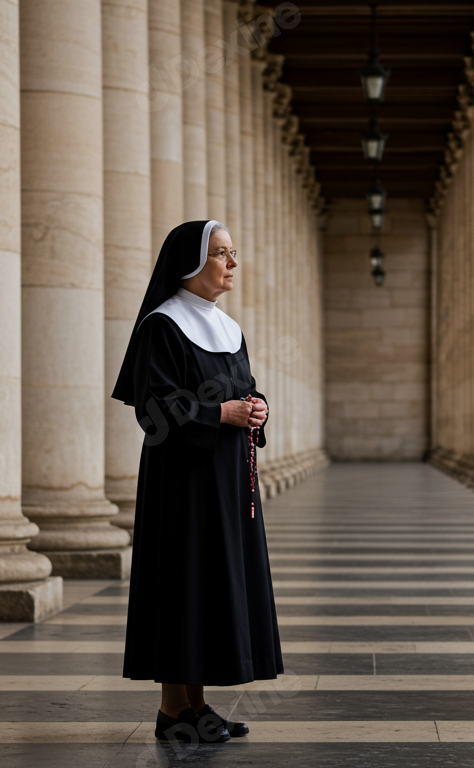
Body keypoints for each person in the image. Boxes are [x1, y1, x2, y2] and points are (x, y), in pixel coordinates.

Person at [112, 220, 282, 744]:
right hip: (181, 484)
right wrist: (219, 415)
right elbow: (154, 412)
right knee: (181, 584)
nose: (232, 264)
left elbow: (244, 389)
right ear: (190, 263)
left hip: (227, 481)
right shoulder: (161, 326)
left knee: (212, 584)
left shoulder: (229, 328)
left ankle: (198, 705)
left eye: (233, 254)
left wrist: (256, 409)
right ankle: (172, 709)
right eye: (222, 254)